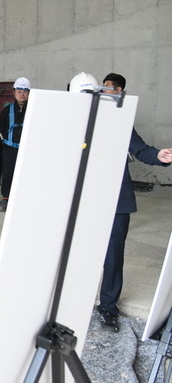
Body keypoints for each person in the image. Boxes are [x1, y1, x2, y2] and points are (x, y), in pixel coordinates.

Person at [78, 72, 172, 332]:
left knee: (113, 257)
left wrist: (159, 155)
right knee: (79, 254)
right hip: (84, 200)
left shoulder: (120, 120)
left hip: (117, 200)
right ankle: (74, 302)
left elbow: (140, 149)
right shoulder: (73, 121)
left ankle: (108, 307)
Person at [0, 77, 30, 212]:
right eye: (19, 91)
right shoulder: (7, 110)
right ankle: (6, 199)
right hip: (10, 148)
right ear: (14, 92)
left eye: (25, 91)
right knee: (8, 173)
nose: (22, 94)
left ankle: (25, 199)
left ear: (29, 93)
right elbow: (2, 127)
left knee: (26, 173)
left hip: (28, 149)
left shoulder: (34, 109)